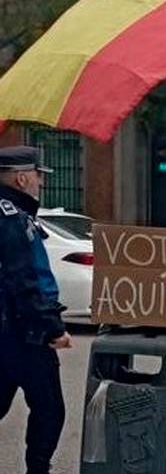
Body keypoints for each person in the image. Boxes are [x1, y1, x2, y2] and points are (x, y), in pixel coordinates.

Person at [0, 146, 72, 474]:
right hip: (23, 333)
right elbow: (25, 280)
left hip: (7, 330)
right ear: (22, 177)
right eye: (39, 176)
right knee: (49, 410)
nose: (40, 183)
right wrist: (52, 328)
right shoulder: (12, 218)